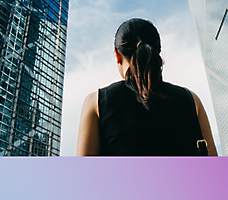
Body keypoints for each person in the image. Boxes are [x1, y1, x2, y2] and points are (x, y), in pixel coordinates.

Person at [76, 18, 217, 156]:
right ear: (157, 53)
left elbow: (82, 176)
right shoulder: (191, 100)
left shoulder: (96, 103)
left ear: (117, 55)